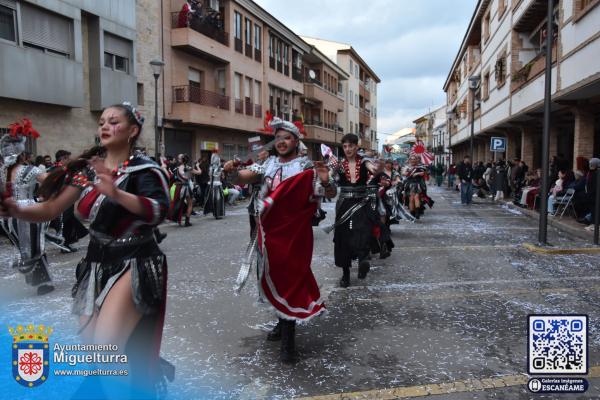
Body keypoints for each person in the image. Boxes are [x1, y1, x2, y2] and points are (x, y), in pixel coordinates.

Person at [0, 103, 171, 396]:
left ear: (133, 131)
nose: (104, 126)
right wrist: (16, 210)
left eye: (113, 122)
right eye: (102, 121)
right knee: (97, 358)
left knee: (107, 350)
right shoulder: (88, 171)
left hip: (135, 260)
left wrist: (116, 192)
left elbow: (158, 211)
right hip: (94, 264)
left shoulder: (145, 169)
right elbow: (51, 208)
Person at [224, 117, 336, 363]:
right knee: (268, 276)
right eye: (278, 138)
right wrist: (231, 172)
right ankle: (282, 321)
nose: (282, 142)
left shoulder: (306, 167)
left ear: (296, 140)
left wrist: (326, 179)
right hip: (267, 232)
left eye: (286, 138)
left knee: (290, 280)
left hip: (295, 235)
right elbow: (243, 177)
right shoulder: (268, 164)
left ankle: (288, 342)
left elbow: (328, 193)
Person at [0, 119, 54, 295]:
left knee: (25, 248)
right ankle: (43, 283)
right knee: (35, 247)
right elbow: (51, 182)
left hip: (9, 216)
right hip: (29, 211)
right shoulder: (31, 170)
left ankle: (36, 280)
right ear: (21, 154)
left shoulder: (2, 172)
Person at [327, 133, 379, 288]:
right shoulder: (338, 163)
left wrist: (377, 169)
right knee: (343, 238)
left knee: (363, 231)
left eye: (350, 146)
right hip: (344, 203)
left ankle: (363, 261)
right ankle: (346, 274)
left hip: (362, 202)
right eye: (345, 146)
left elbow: (373, 169)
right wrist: (326, 178)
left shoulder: (364, 161)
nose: (347, 149)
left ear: (357, 146)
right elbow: (328, 178)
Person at [47, 149, 88, 253]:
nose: (70, 160)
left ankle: (66, 243)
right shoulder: (55, 170)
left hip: (66, 201)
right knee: (64, 223)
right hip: (60, 201)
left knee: (68, 222)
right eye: (68, 158)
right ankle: (64, 244)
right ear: (63, 159)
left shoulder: (65, 169)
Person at [168, 153, 199, 227]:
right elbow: (199, 172)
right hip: (186, 188)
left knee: (178, 203)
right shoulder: (189, 168)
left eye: (179, 158)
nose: (178, 160)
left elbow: (180, 175)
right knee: (190, 204)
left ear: (182, 160)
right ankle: (187, 222)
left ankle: (177, 219)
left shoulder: (178, 168)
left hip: (179, 188)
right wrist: (197, 166)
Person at [204, 151, 225, 219]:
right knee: (218, 199)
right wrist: (221, 171)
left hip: (211, 186)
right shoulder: (217, 168)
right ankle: (217, 214)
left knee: (213, 199)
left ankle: (215, 213)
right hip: (216, 185)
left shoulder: (210, 167)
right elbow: (221, 176)